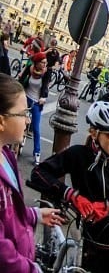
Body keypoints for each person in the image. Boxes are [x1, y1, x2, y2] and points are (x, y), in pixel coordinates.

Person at [28, 101, 109, 273]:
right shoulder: (78, 155)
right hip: (91, 243)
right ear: (94, 132)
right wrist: (71, 195)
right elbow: (38, 173)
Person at [0, 73, 65, 272]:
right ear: (1, 121)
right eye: (22, 114)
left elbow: (8, 213)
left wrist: (33, 214)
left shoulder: (7, 155)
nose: (28, 120)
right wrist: (31, 270)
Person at [17, 51, 52, 165]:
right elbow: (21, 81)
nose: (44, 65)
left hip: (37, 102)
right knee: (18, 121)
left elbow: (46, 86)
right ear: (36, 63)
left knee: (36, 128)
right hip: (26, 98)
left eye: (45, 63)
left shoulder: (47, 72)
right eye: (42, 62)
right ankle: (13, 142)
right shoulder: (30, 69)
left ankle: (37, 152)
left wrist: (43, 97)